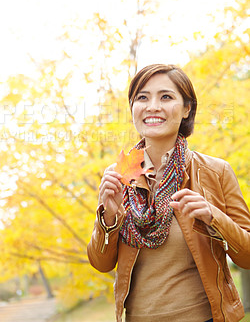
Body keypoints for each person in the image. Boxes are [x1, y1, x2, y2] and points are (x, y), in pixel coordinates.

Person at [87, 64, 250, 322]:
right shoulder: (118, 175)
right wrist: (108, 216)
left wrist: (213, 217)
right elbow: (101, 263)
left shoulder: (216, 172)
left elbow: (247, 257)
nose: (153, 106)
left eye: (166, 97)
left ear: (187, 108)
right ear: (132, 109)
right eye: (142, 97)